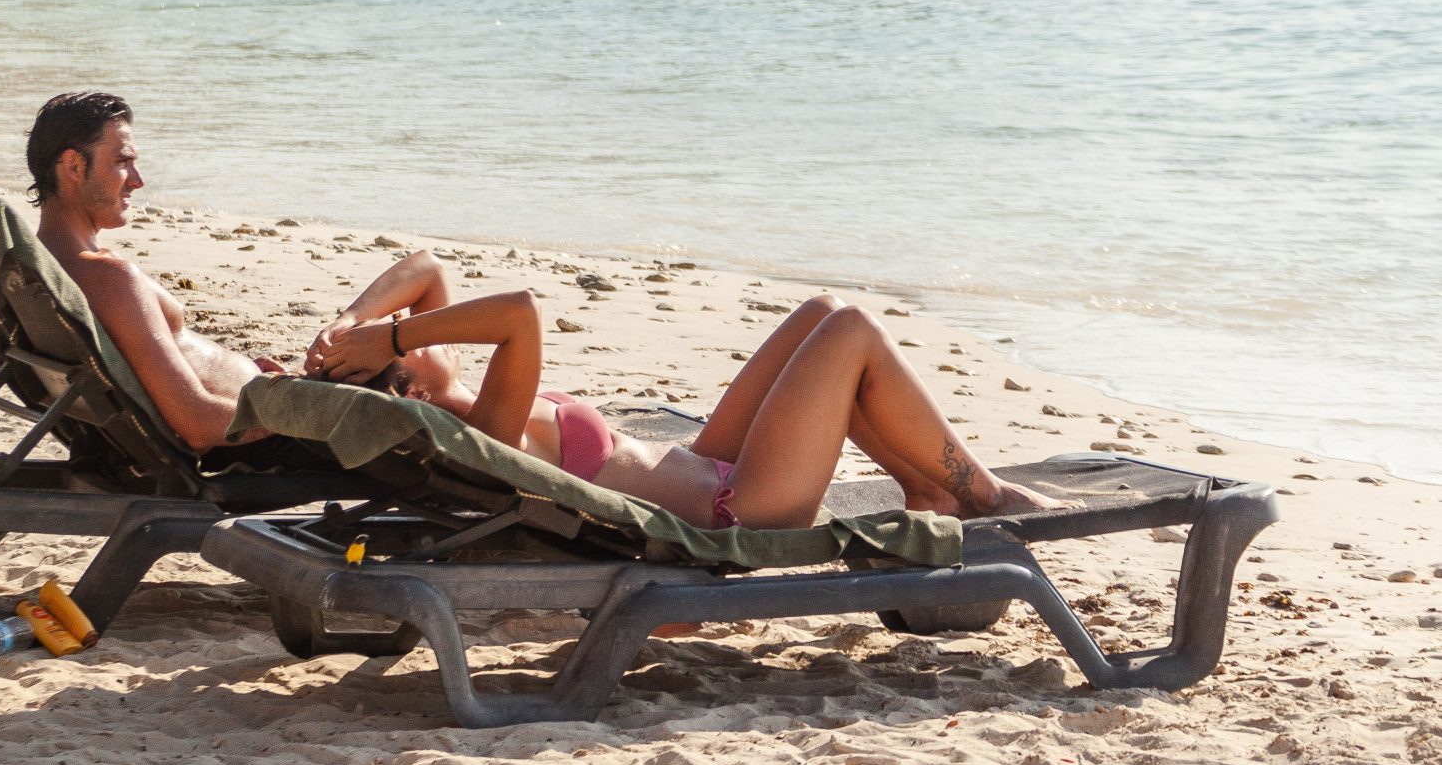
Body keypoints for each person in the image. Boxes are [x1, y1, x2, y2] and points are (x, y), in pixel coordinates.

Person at [310, 250, 1061, 531]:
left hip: (706, 463)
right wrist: (391, 338)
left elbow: (424, 266)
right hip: (738, 510)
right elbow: (519, 314)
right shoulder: (487, 431)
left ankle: (924, 490)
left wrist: (354, 324)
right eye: (417, 342)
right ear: (407, 387)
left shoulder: (453, 400)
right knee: (853, 331)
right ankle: (984, 495)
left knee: (823, 315)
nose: (430, 327)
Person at [30, 90, 287, 451]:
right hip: (253, 435)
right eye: (123, 162)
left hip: (255, 403)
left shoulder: (40, 266)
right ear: (74, 166)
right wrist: (293, 412)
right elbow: (198, 422)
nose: (137, 180)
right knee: (391, 378)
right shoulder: (108, 279)